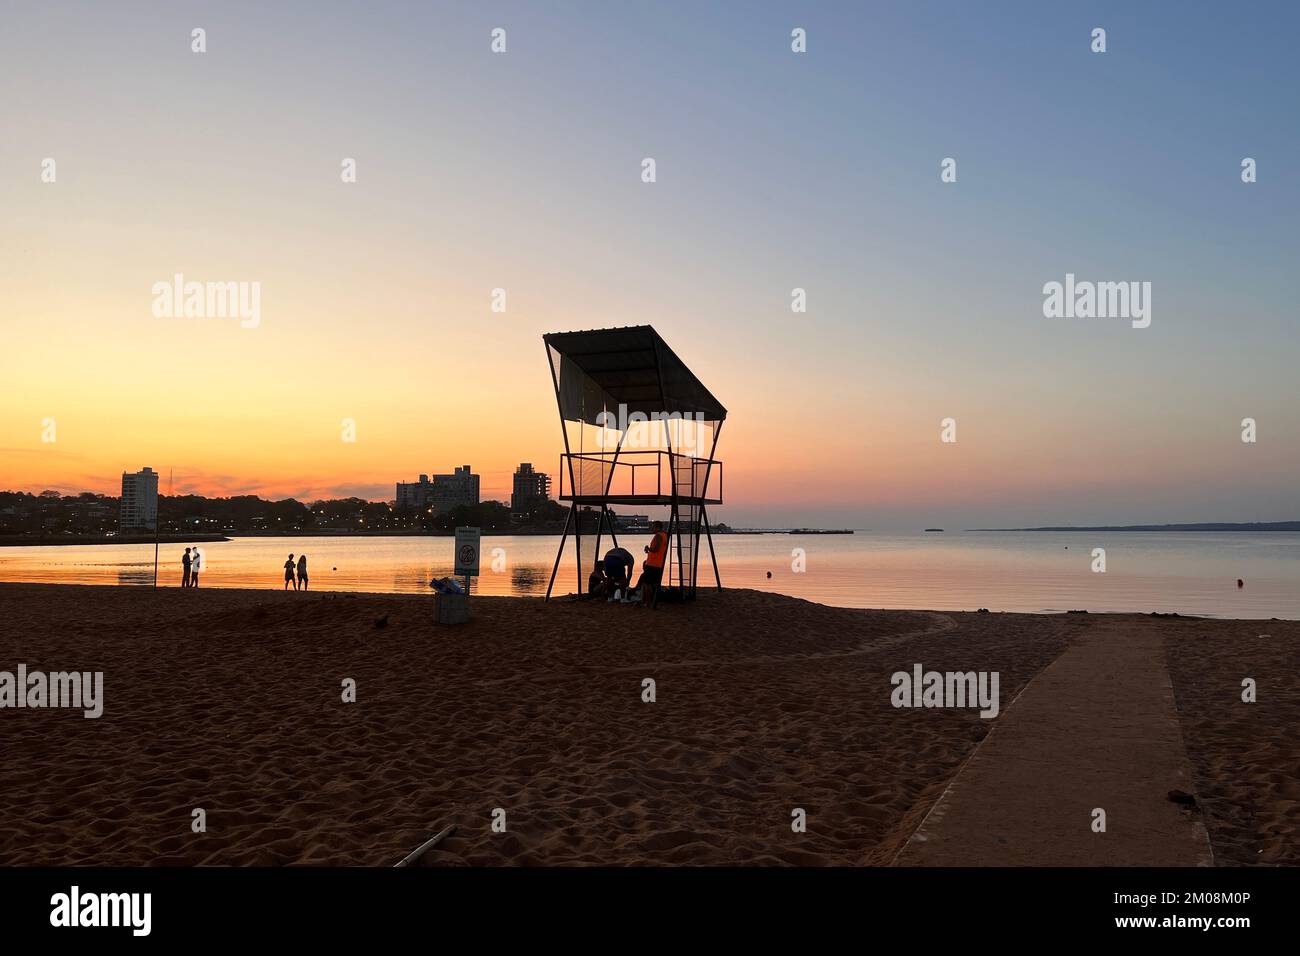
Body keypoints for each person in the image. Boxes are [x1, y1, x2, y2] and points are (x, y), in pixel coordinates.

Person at [632, 521, 669, 605]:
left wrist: (648, 548)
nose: (652, 528)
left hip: (653, 563)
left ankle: (647, 601)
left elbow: (656, 549)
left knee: (647, 583)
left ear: (657, 527)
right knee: (653, 583)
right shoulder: (664, 535)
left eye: (653, 527)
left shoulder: (658, 536)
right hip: (658, 563)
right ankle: (651, 600)